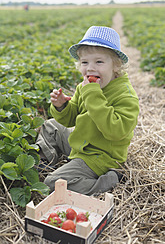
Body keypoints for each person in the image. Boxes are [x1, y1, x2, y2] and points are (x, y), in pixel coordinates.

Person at [36, 26, 139, 195]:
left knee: (53, 183)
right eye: (85, 62)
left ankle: (110, 180)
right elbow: (71, 119)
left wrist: (92, 94)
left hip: (102, 156)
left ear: (116, 65)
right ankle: (46, 163)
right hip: (82, 144)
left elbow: (116, 131)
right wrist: (61, 106)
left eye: (99, 62)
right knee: (51, 126)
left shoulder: (125, 96)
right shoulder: (84, 87)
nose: (90, 68)